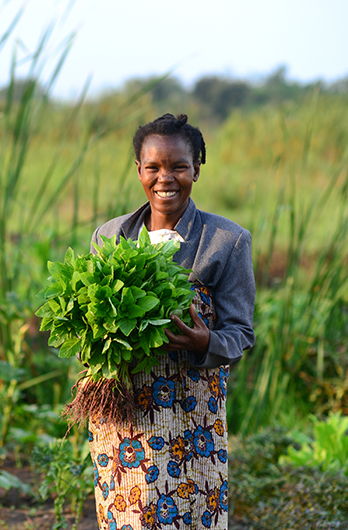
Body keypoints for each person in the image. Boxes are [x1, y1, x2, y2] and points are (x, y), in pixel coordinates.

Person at [86, 113, 255, 530]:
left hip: (191, 412)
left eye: (179, 166)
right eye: (154, 167)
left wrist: (204, 342)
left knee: (193, 512)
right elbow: (91, 321)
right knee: (130, 513)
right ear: (139, 170)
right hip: (124, 413)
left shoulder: (227, 241)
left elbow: (241, 332)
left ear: (197, 168)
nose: (166, 178)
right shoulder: (109, 237)